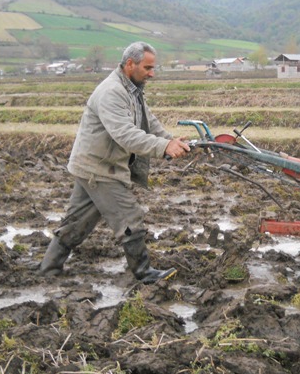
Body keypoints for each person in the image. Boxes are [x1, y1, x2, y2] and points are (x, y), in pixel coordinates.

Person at [39, 41, 190, 283]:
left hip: (93, 166)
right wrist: (163, 148)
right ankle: (143, 273)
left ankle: (48, 269)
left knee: (77, 223)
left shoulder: (131, 89)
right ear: (130, 64)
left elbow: (148, 122)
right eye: (148, 67)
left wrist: (171, 140)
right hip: (99, 169)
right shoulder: (112, 92)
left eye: (153, 68)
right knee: (129, 217)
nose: (152, 73)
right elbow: (125, 134)